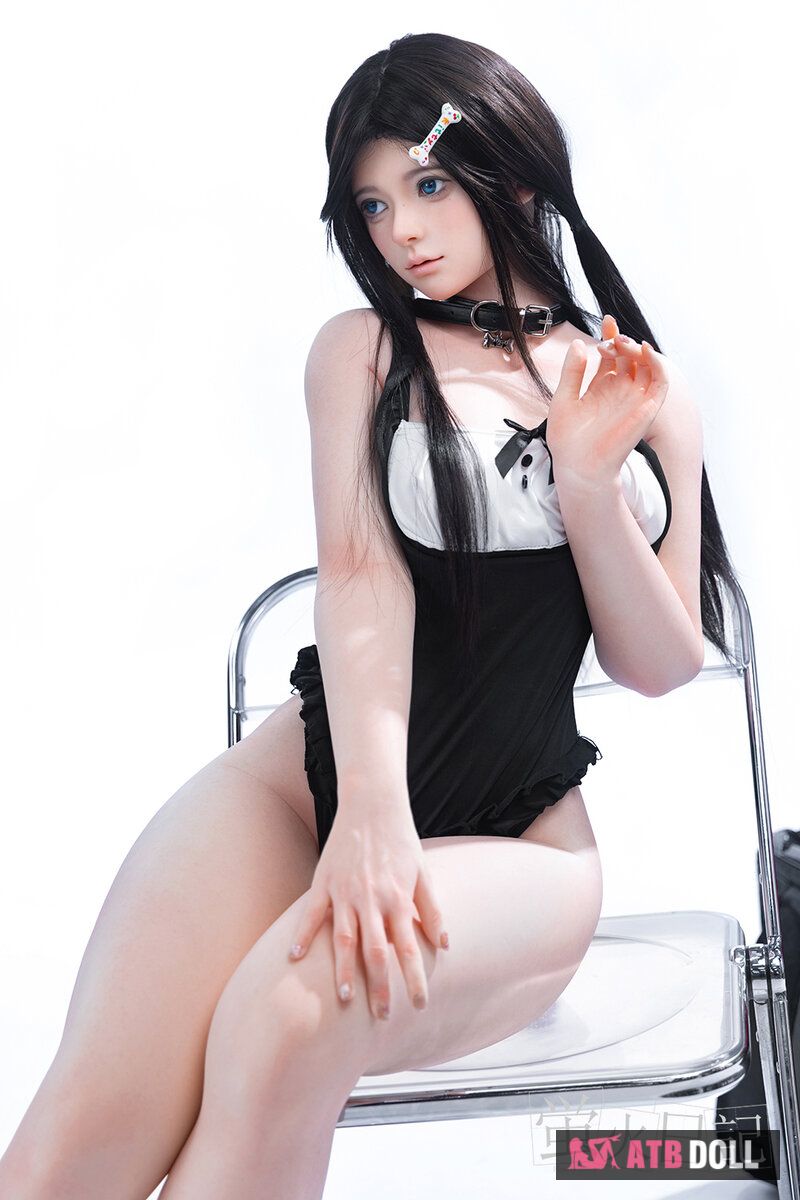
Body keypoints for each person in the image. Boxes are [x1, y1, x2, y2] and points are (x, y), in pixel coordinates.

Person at [0, 31, 740, 1200]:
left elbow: (656, 663)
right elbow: (359, 579)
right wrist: (369, 818)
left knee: (280, 1021)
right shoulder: (360, 354)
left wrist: (588, 486)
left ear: (515, 176)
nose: (402, 231)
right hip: (303, 788)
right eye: (374, 203)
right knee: (66, 1148)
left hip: (521, 849)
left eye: (429, 185)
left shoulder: (638, 392)